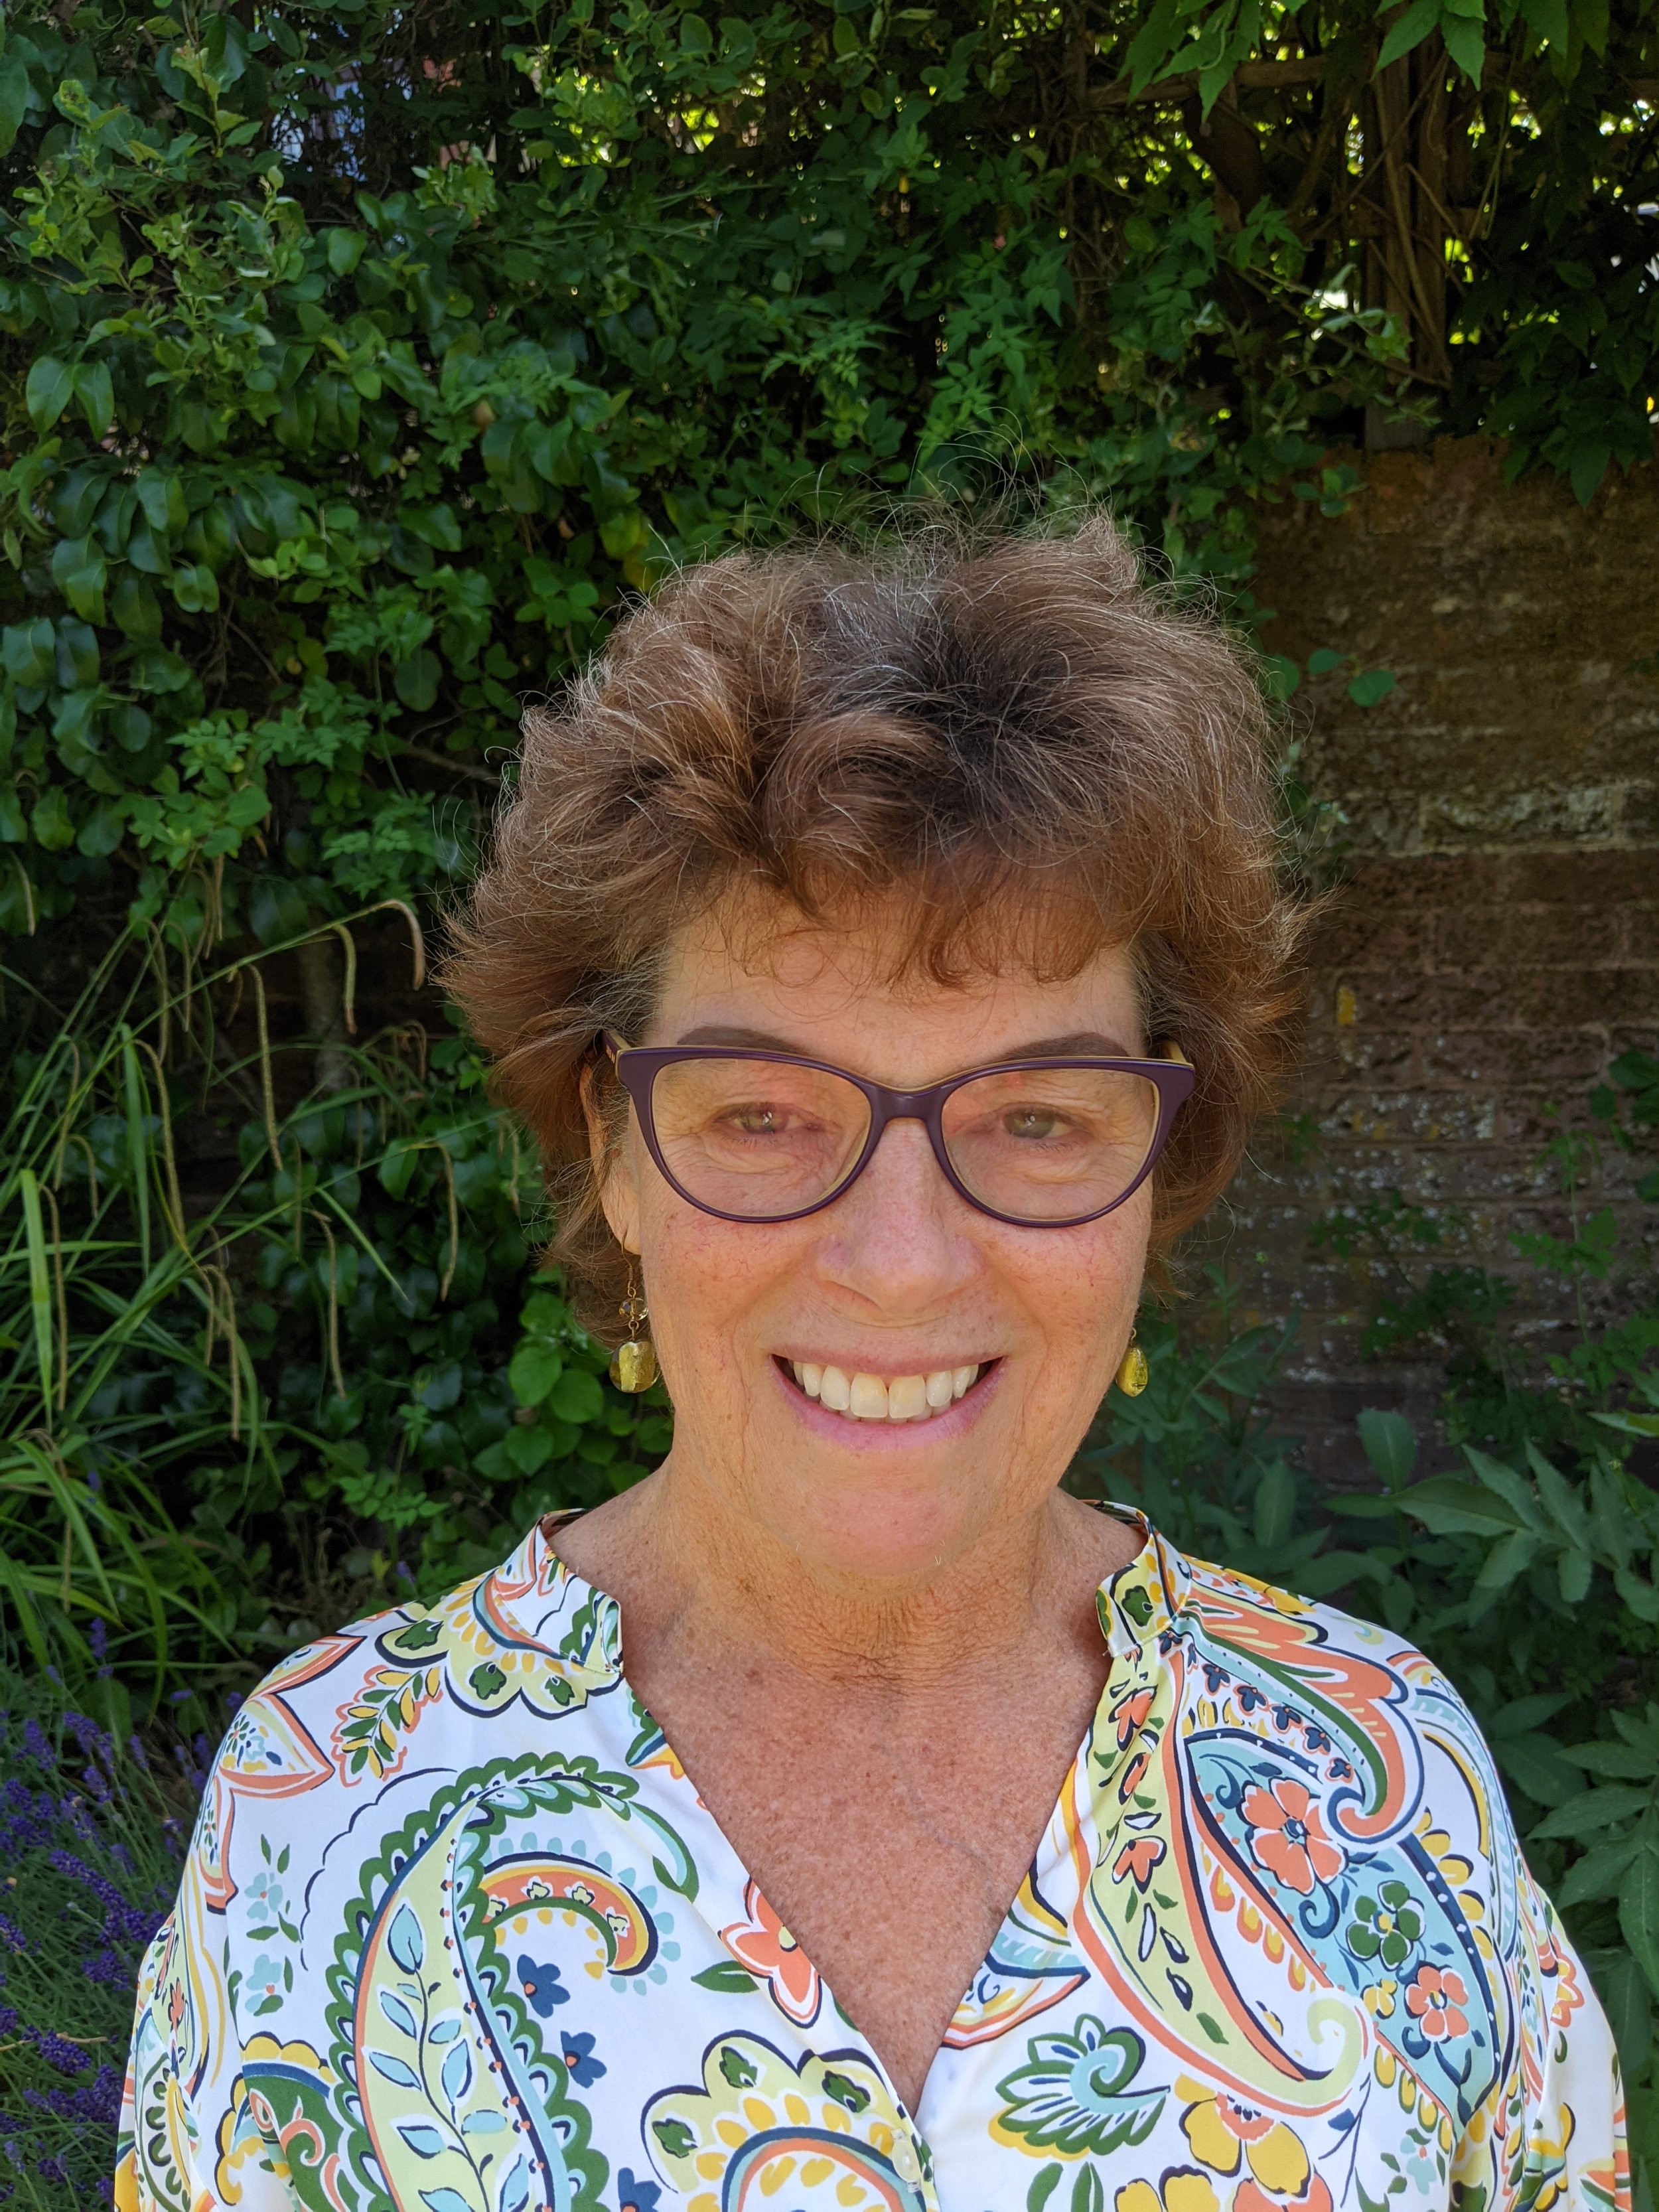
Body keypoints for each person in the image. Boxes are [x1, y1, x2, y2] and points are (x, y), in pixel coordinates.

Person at [118, 516, 1626, 2212]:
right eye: (762, 1112)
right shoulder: (325, 1803)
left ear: (1154, 1164)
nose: (900, 1260)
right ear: (615, 1147)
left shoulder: (1376, 1772)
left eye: (1036, 1116)